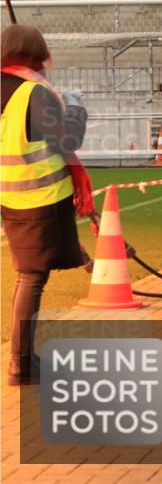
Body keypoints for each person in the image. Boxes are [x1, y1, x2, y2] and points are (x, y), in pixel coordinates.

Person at [1, 25, 92, 385]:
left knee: (28, 276)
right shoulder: (33, 92)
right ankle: (20, 363)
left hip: (10, 195)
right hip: (39, 197)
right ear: (36, 51)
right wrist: (74, 105)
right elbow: (68, 137)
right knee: (31, 278)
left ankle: (22, 359)